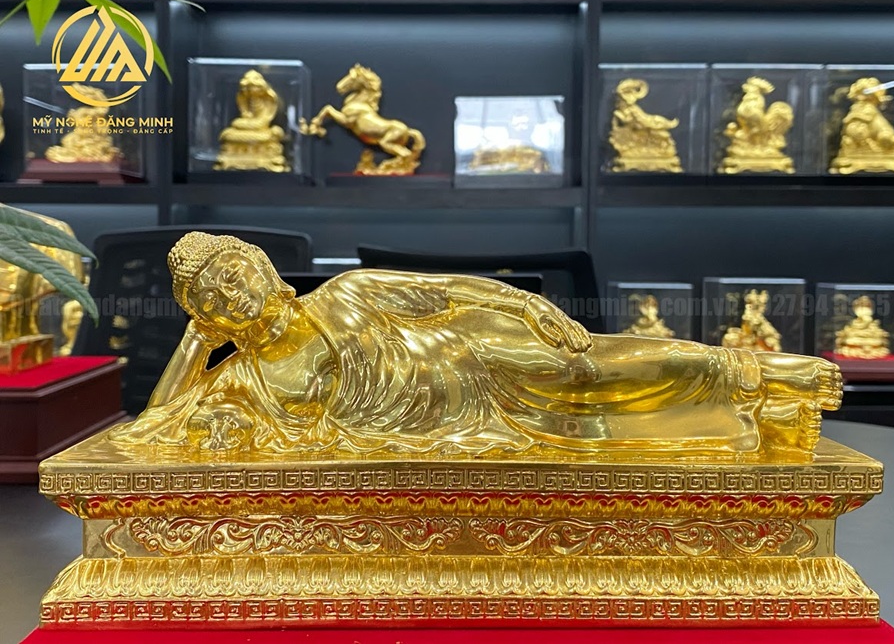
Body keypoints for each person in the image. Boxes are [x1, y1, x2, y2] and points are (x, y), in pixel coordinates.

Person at [110, 233, 843, 458]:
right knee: (599, 431)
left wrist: (528, 303)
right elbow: (148, 435)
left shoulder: (346, 292)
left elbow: (450, 290)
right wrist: (194, 343)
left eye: (234, 272)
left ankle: (768, 372)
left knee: (589, 371)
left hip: (476, 353)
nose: (229, 292)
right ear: (206, 315)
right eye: (209, 296)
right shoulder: (246, 378)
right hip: (460, 428)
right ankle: (754, 413)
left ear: (263, 268)